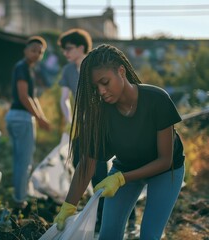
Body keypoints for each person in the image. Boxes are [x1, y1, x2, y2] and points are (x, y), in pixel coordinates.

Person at [54, 44, 185, 239]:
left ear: (121, 71)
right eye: (96, 87)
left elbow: (164, 160)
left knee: (149, 235)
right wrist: (69, 206)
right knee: (108, 234)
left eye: (105, 82)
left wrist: (122, 179)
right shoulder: (101, 114)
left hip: (166, 171)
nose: (101, 91)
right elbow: (87, 164)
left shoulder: (157, 100)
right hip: (125, 167)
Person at [5, 36, 51, 210]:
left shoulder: (29, 69)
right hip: (21, 118)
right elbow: (24, 97)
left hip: (18, 117)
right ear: (25, 50)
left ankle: (19, 196)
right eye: (34, 50)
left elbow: (33, 98)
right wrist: (39, 118)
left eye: (40, 52)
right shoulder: (22, 67)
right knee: (24, 162)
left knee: (20, 161)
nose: (37, 54)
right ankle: (20, 200)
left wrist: (41, 117)